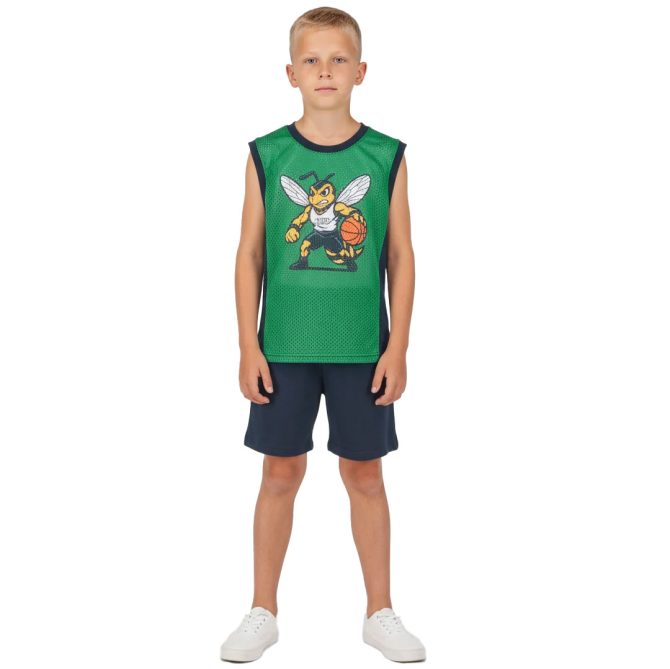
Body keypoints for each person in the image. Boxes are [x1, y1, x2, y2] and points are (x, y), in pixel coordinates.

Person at [220, 6, 425, 663]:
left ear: (361, 71)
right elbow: (250, 253)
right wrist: (248, 344)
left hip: (362, 348)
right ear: (291, 73)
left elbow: (402, 255)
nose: (325, 70)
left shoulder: (385, 156)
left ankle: (380, 610)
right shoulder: (267, 154)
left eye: (339, 59)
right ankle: (262, 609)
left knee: (365, 475)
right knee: (279, 473)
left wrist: (398, 346)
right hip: (283, 346)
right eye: (312, 60)